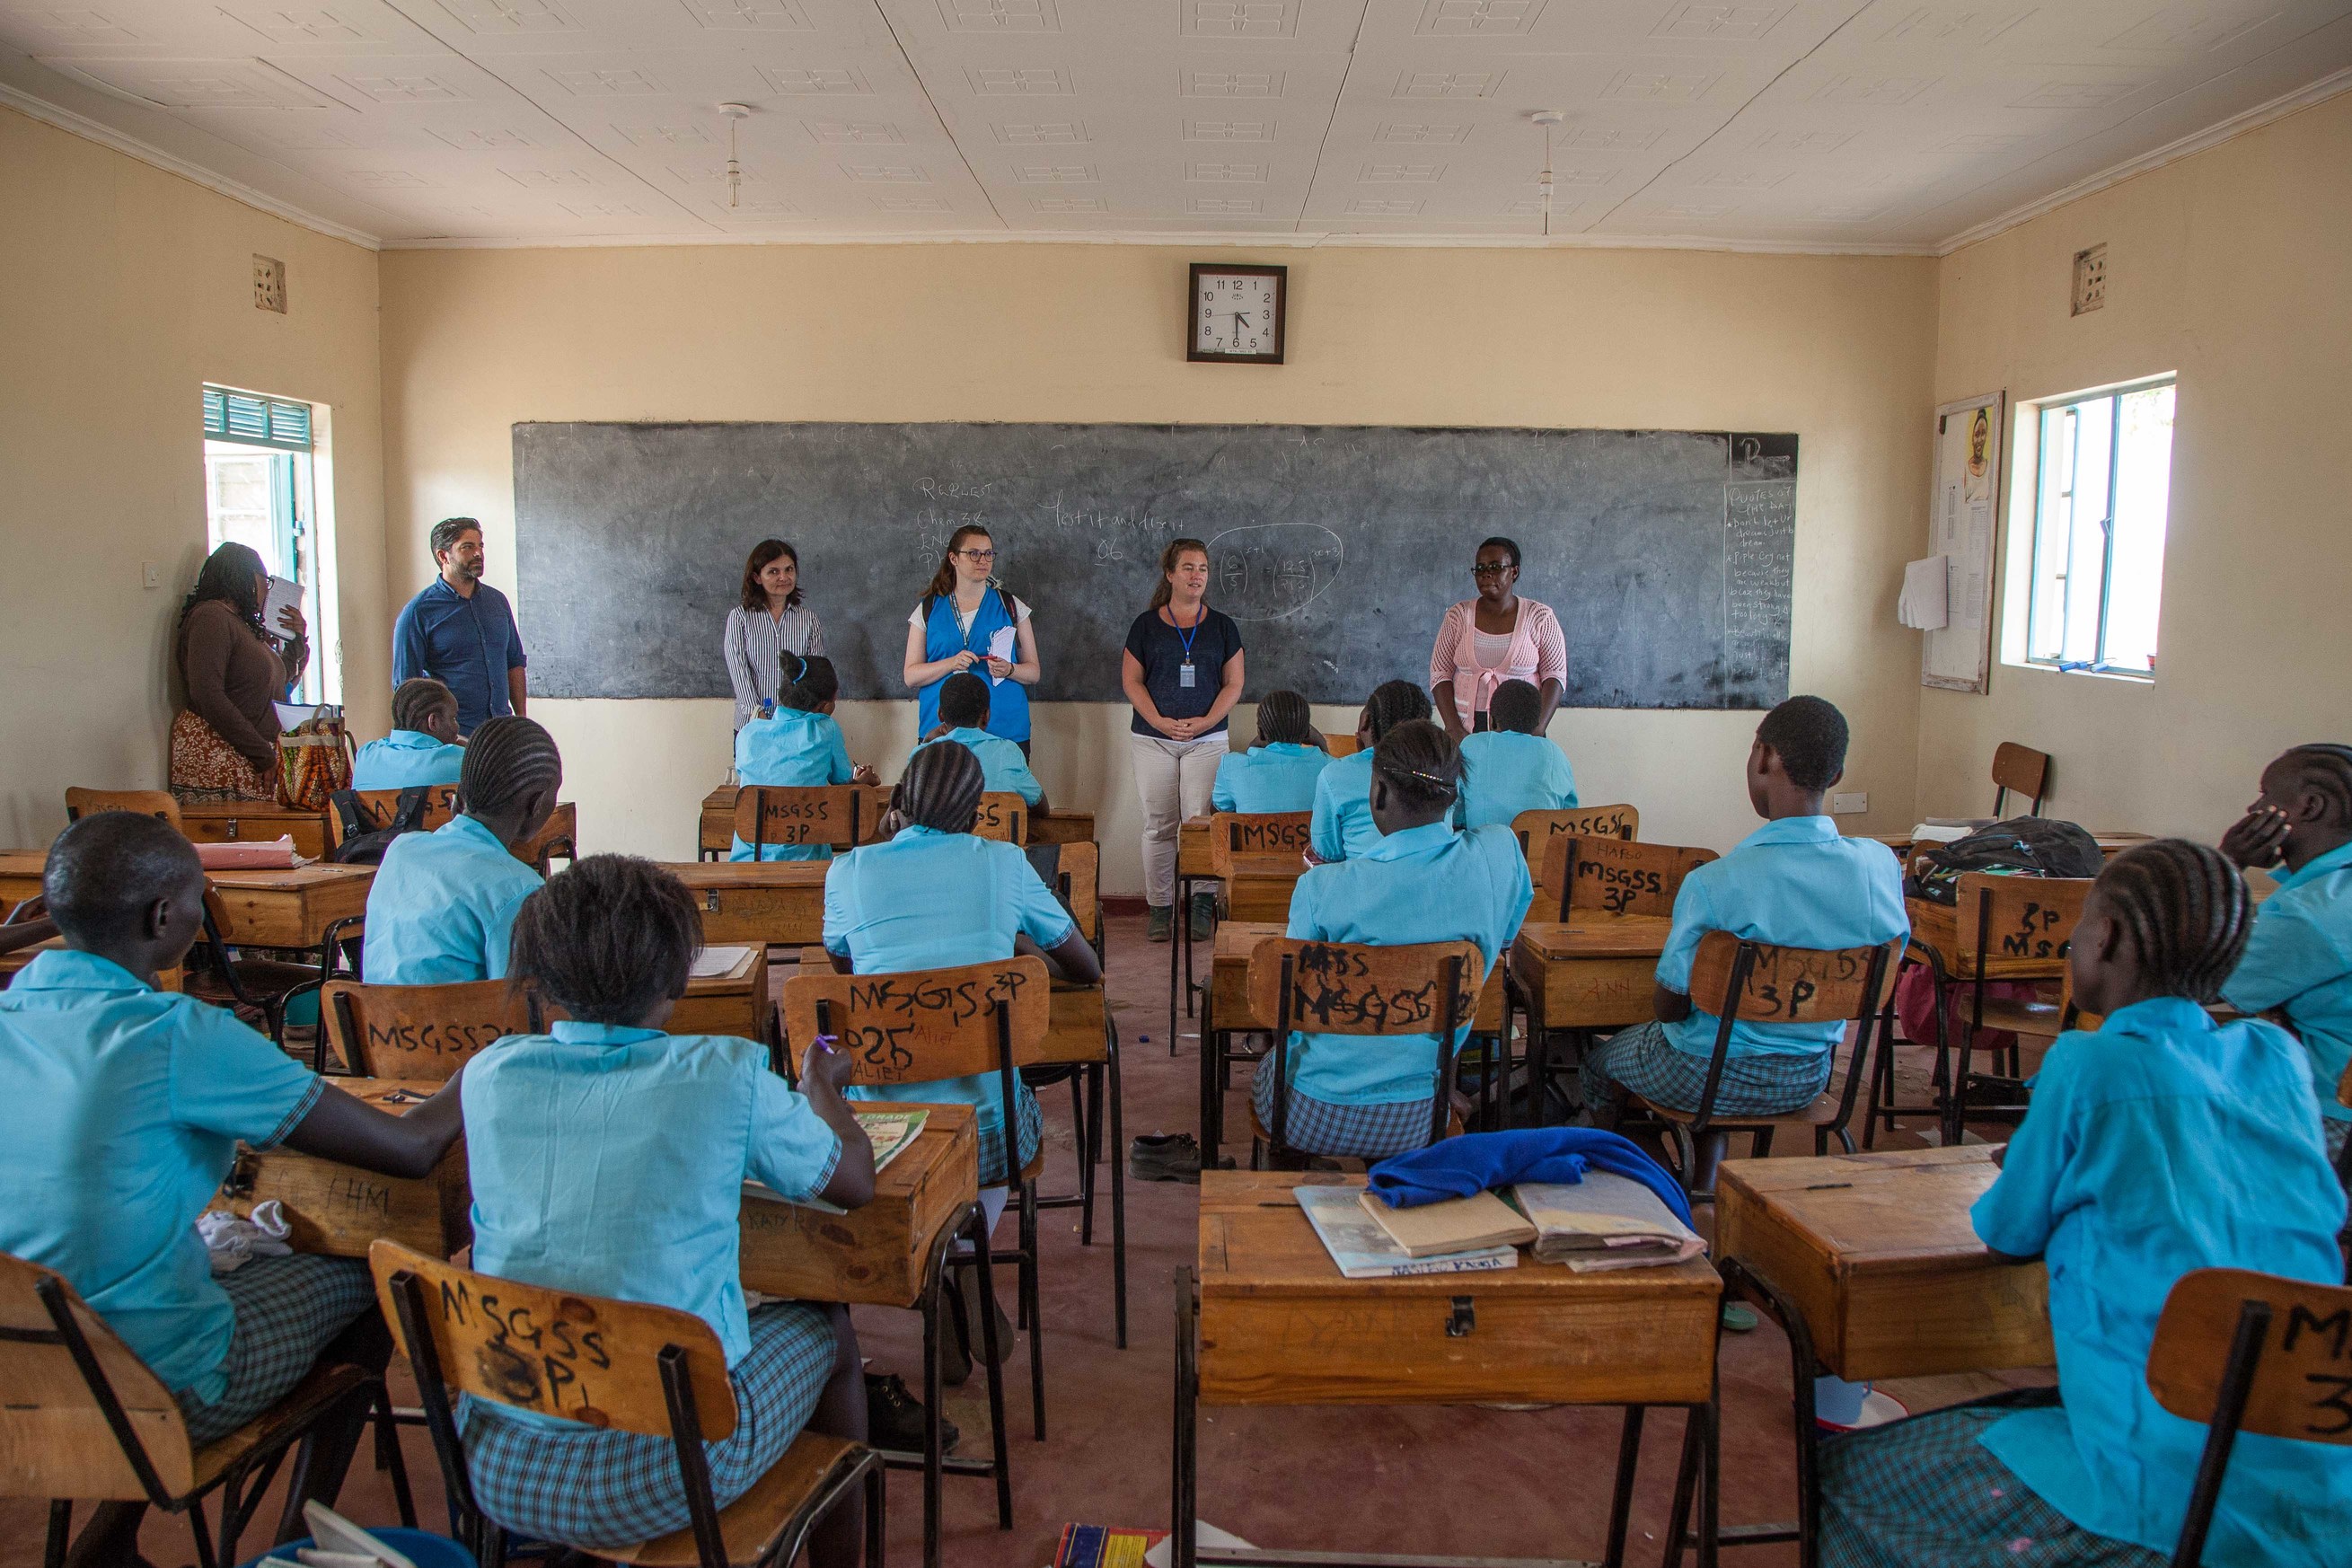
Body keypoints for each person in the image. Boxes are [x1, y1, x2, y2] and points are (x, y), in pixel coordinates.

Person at [1818, 840, 2351, 1567]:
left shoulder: (2085, 1062)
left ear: (2102, 938)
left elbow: (2006, 1232)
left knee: (1842, 1479)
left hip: (2161, 1492)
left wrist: (2041, 1161)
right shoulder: (2277, 1058)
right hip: (2315, 1495)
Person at [0, 813, 465, 1563]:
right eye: (198, 898)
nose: (201, 909)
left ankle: (111, 1542)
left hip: (24, 1370)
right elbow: (408, 1149)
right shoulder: (175, 1033)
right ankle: (291, 1542)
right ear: (162, 917)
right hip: (154, 1383)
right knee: (369, 1261)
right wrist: (481, 1068)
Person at [458, 854, 876, 1562]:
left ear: (539, 975)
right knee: (828, 1328)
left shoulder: (489, 1076)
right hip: (669, 1469)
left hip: (499, 1463)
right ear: (682, 971)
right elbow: (854, 1183)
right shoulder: (723, 1073)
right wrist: (820, 1086)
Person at [822, 742, 1100, 1249]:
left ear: (898, 800)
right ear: (976, 817)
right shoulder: (1005, 863)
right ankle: (967, 1249)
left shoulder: (848, 871)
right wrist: (1015, 942)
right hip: (990, 1137)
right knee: (1011, 1090)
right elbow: (1086, 968)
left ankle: (939, 1250)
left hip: (880, 1132)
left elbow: (849, 971)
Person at [1581, 696, 1907, 1125]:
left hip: (1699, 1075)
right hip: (1807, 1076)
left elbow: (1669, 1007)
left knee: (1599, 1064)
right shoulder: (1880, 867)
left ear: (1764, 758)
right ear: (1837, 775)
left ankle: (1642, 1168)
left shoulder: (1715, 882)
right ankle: (1704, 1173)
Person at [1255, 721, 1530, 1160]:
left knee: (1271, 1062)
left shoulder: (1321, 888)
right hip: (1422, 1114)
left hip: (1308, 1112)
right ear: (1455, 796)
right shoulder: (1499, 855)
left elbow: (1289, 1009)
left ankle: (1295, 1189)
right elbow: (1505, 939)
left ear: (1378, 794)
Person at [2219, 744, 2352, 1162]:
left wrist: (2225, 863)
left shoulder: (2314, 913)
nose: (2254, 805)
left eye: (2265, 793)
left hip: (2329, 1114)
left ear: (2309, 806)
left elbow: (2188, 976)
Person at [361, 716, 559, 985]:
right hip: (461, 1026)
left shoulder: (401, 852)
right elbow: (526, 1010)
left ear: (458, 797)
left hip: (374, 1024)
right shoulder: (520, 891)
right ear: (536, 805)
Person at [1123, 538, 1246, 942]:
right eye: (1189, 568)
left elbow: (1234, 683)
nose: (1197, 576)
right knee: (1159, 825)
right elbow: (1132, 681)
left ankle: (1201, 904)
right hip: (1153, 739)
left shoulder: (1223, 626)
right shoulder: (1145, 625)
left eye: (1203, 569)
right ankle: (1160, 907)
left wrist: (1207, 720)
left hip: (1207, 740)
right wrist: (1158, 721)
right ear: (1171, 574)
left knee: (1201, 822)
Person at [170, 541, 308, 803]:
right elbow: (207, 694)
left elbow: (278, 682)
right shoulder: (211, 617)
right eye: (264, 582)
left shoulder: (241, 625)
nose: (267, 592)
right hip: (229, 755)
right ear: (243, 578)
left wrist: (297, 639)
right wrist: (261, 754)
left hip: (252, 754)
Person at [903, 525, 1039, 752]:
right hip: (942, 731)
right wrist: (950, 663)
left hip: (1004, 730)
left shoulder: (1012, 606)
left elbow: (1033, 672)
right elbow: (910, 676)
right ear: (954, 558)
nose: (983, 560)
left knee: (1004, 788)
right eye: (973, 553)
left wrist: (1010, 670)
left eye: (988, 554)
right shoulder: (928, 609)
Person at [731, 656, 879, 863]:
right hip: (806, 860)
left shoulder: (748, 734)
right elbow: (844, 787)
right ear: (825, 706)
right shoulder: (826, 730)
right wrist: (863, 783)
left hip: (750, 861)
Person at [392, 517, 526, 737]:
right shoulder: (418, 612)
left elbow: (514, 663)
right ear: (443, 556)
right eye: (467, 547)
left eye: (480, 546)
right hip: (453, 738)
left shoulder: (497, 602)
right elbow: (406, 689)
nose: (478, 553)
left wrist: (521, 722)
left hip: (501, 732)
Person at [1428, 536, 1567, 740]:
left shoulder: (1539, 616)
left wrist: (1538, 728)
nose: (1486, 574)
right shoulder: (1458, 616)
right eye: (1480, 568)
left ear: (1514, 572)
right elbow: (1440, 674)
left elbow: (1555, 676)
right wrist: (1453, 727)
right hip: (1466, 729)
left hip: (1524, 729)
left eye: (1495, 567)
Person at [1309, 681, 1432, 865]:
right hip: (1431, 882)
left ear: (1365, 723)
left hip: (1362, 884)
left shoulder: (1334, 775)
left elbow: (1328, 853)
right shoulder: (1441, 772)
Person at [724, 539, 827, 733]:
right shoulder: (740, 618)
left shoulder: (809, 620)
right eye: (773, 571)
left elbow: (814, 675)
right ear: (757, 577)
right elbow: (739, 672)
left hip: (796, 726)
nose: (783, 577)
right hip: (753, 727)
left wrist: (798, 718)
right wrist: (758, 715)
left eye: (789, 569)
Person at [1456, 678, 1578, 829]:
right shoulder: (1555, 753)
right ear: (1536, 724)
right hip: (1540, 850)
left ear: (1491, 721)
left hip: (1485, 848)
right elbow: (1570, 813)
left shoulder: (1471, 745)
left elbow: (1456, 810)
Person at [917, 672, 1046, 810]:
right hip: (996, 832)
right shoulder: (1009, 751)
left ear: (940, 714)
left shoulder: (920, 755)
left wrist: (926, 744)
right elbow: (1042, 808)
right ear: (986, 715)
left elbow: (909, 810)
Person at [1211, 690, 1330, 815]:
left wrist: (1251, 748)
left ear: (1261, 733)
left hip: (1254, 834)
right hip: (1309, 836)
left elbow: (1218, 814)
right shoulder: (1330, 768)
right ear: (1307, 733)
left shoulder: (1231, 766)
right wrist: (1322, 744)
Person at [350, 677, 465, 791]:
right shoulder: (462, 761)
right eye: (453, 718)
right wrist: (470, 750)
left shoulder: (366, 755)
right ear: (433, 721)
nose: (457, 726)